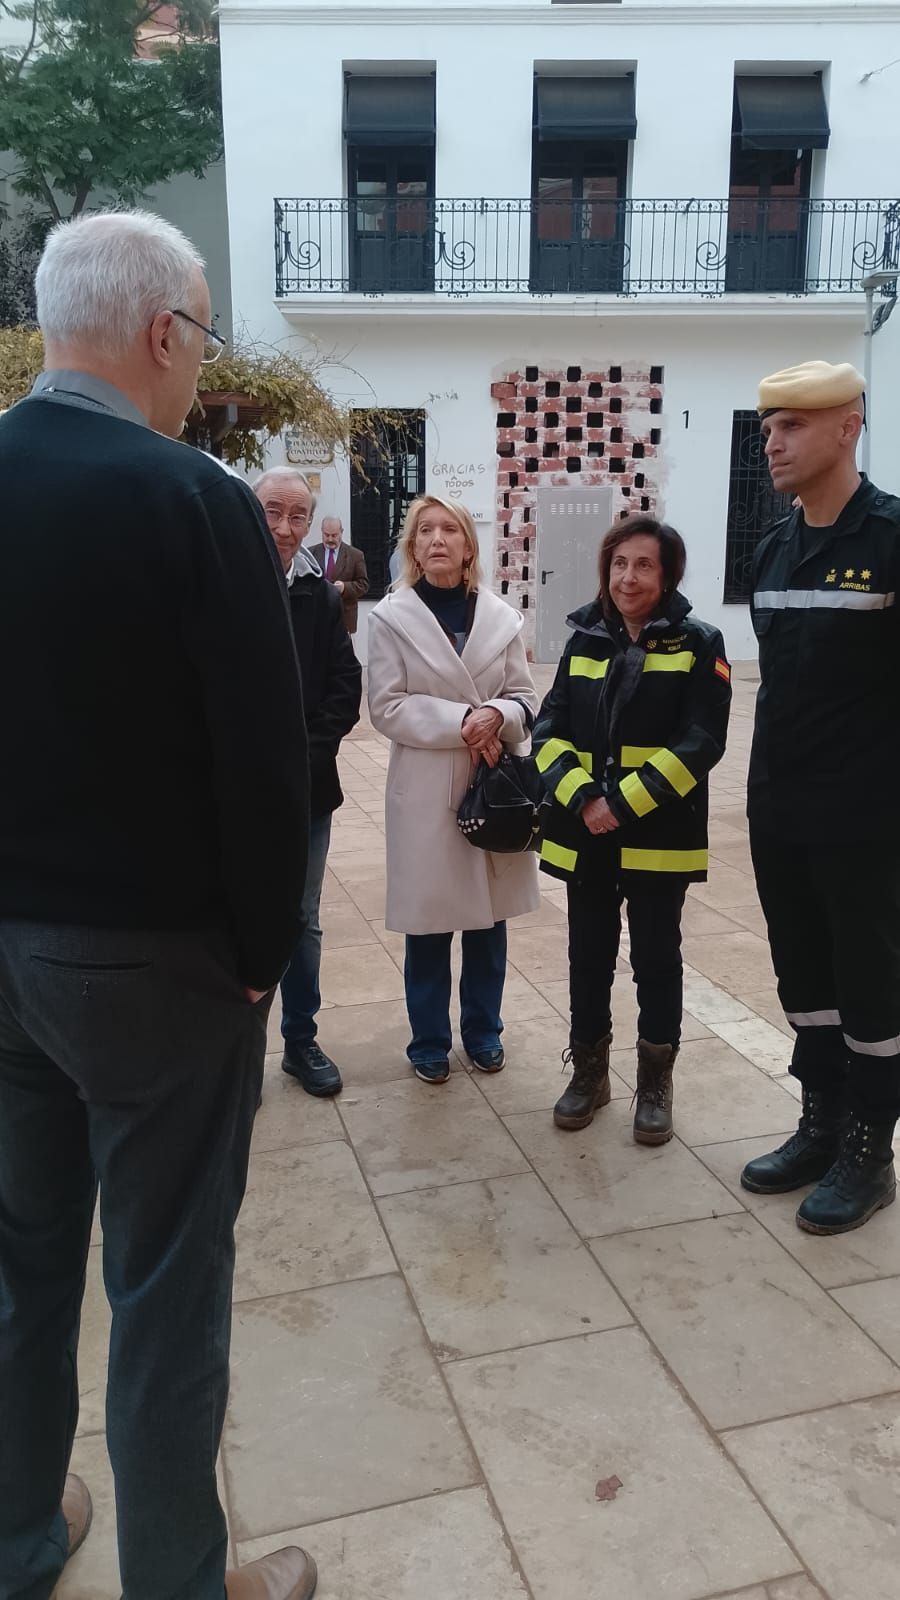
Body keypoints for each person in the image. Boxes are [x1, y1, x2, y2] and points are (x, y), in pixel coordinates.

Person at [0, 212, 317, 1600]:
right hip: (150, 969)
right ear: (162, 335)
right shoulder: (189, 498)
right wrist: (262, 959)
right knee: (165, 1291)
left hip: (2, 957)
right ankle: (178, 1584)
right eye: (200, 335)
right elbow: (263, 762)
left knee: (20, 1273)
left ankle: (16, 1542)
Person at [740, 359, 900, 1236]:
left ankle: (872, 1147)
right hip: (783, 810)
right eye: (768, 426)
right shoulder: (772, 548)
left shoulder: (890, 540)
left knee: (870, 984)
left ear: (849, 426)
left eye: (792, 425)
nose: (772, 441)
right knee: (805, 978)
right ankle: (824, 1119)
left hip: (867, 821)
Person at [533, 515, 732, 1141]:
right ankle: (590, 1074)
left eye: (644, 565)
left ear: (668, 573)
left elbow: (702, 741)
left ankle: (655, 1084)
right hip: (585, 833)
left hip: (657, 837)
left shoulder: (700, 642)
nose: (628, 577)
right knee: (586, 957)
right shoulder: (585, 638)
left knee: (655, 959)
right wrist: (585, 797)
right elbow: (547, 730)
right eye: (619, 564)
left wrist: (622, 803)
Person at [367, 495, 540, 1082]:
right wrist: (461, 723)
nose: (437, 539)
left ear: (469, 546)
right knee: (430, 923)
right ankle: (429, 1043)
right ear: (412, 547)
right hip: (426, 788)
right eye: (425, 531)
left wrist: (498, 713)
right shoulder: (392, 617)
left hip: (493, 781)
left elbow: (525, 696)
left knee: (489, 922)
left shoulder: (501, 616)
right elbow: (386, 706)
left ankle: (485, 1032)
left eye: (450, 530)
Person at [254, 467, 362, 1097]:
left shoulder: (319, 597)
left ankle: (300, 1040)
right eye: (272, 512)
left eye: (297, 515)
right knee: (232, 914)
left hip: (304, 791)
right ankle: (236, 1052)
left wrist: (300, 759)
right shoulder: (221, 585)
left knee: (302, 916)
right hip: (231, 793)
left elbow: (344, 690)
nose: (285, 529)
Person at [309, 516, 369, 634]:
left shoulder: (355, 555)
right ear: (322, 531)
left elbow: (364, 585)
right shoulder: (311, 553)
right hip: (316, 619)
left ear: (341, 532)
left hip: (344, 620)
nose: (330, 539)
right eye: (326, 535)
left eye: (334, 535)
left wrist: (344, 587)